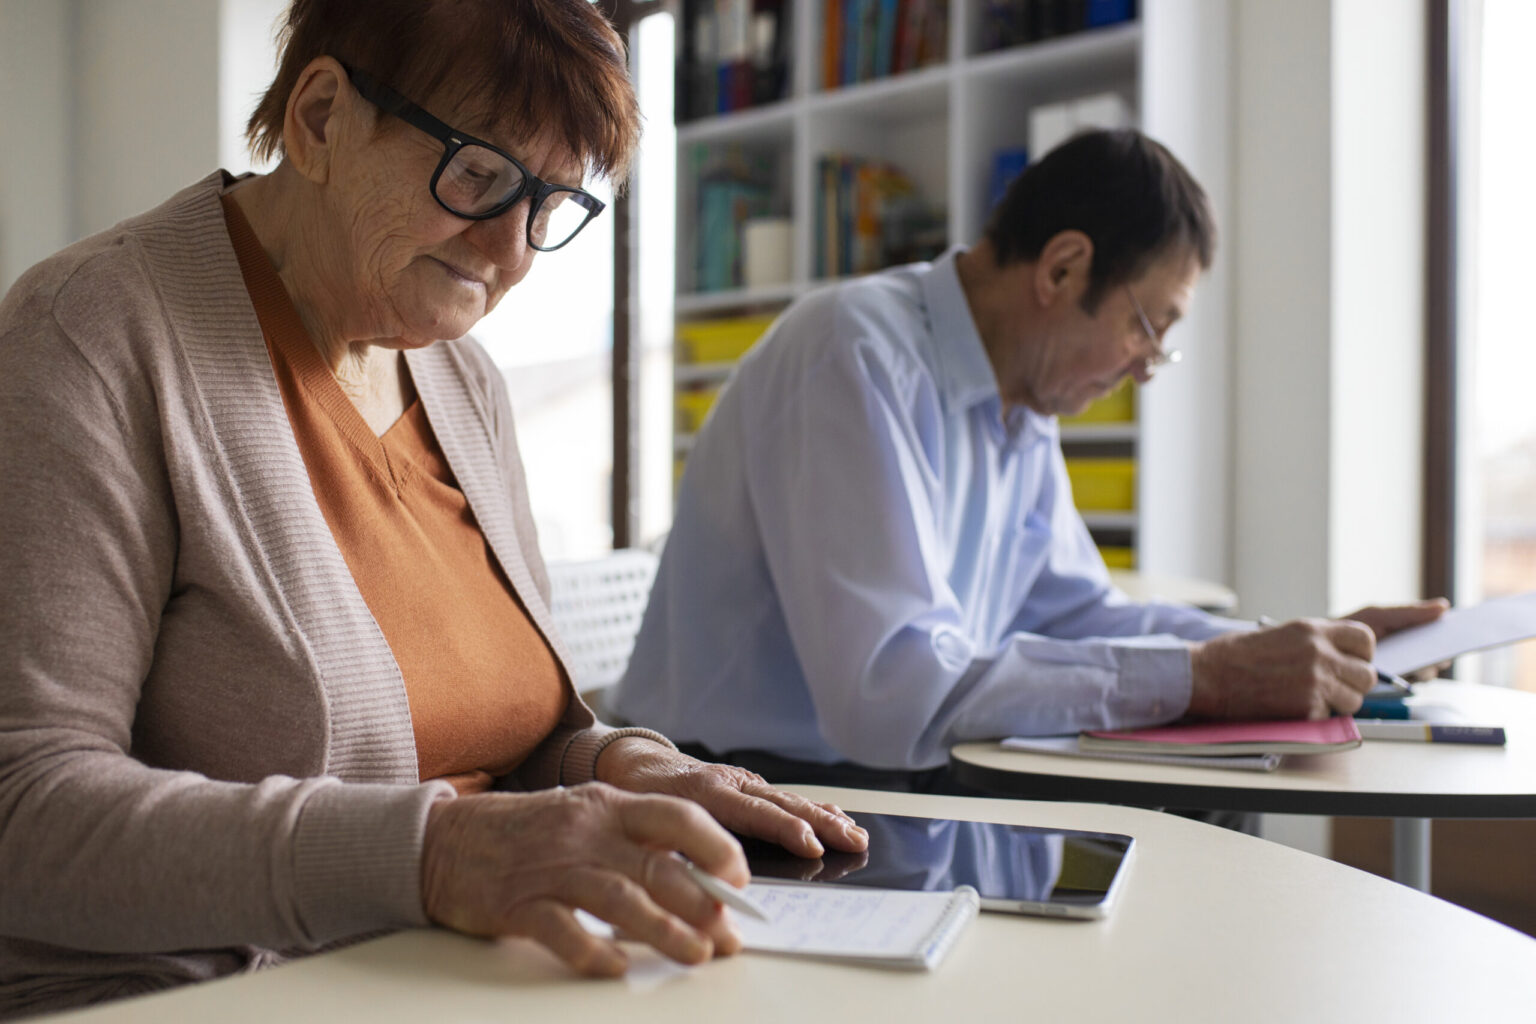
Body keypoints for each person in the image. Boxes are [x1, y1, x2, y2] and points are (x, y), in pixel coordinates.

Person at [0, 1, 867, 1016]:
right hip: (196, 990)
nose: (510, 255)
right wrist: (433, 856)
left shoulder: (464, 380)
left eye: (547, 203)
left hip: (451, 973)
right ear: (322, 117)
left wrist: (622, 764)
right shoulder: (88, 336)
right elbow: (25, 810)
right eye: (479, 176)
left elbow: (506, 737)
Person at [612, 128, 1446, 789]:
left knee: (1179, 821)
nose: (1143, 370)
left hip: (877, 780)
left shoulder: (1018, 406)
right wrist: (1207, 678)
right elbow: (888, 693)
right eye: (1148, 329)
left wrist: (1296, 648)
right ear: (1063, 266)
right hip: (735, 789)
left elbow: (1079, 614)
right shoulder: (856, 354)